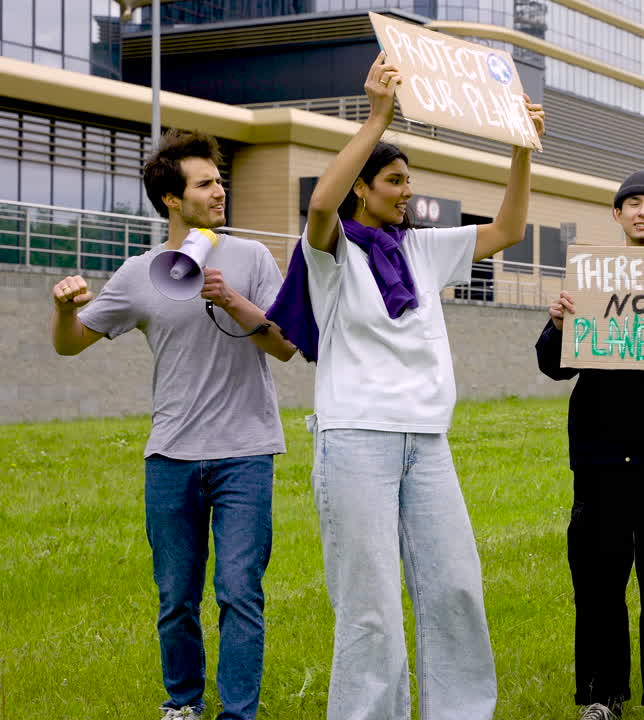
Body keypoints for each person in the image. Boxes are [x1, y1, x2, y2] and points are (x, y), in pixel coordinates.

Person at [267, 52, 544, 720]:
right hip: (357, 438)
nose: (405, 192)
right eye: (393, 180)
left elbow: (506, 230)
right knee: (371, 605)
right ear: (364, 187)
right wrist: (377, 117)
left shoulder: (422, 250)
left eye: (406, 181)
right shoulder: (332, 253)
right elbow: (322, 202)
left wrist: (521, 152)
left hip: (427, 442)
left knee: (454, 589)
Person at [50, 129, 296, 720]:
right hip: (171, 458)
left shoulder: (254, 258)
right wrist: (63, 310)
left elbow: (287, 346)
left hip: (245, 453)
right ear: (171, 199)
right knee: (176, 599)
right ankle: (182, 705)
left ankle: (238, 714)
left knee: (240, 594)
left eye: (219, 181)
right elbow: (70, 346)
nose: (219, 192)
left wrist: (234, 301)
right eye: (206, 183)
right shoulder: (138, 273)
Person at [535, 169, 644, 720]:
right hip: (601, 458)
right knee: (597, 586)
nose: (642, 211)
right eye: (631, 203)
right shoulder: (589, 279)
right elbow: (552, 366)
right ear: (616, 215)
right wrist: (558, 322)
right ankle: (598, 696)